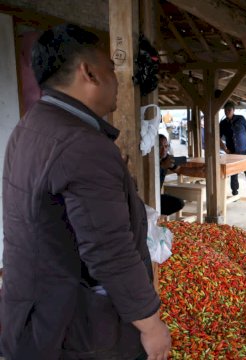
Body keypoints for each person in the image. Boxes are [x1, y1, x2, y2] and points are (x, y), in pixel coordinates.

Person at [1, 24, 171, 358]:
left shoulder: (29, 127)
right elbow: (110, 250)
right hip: (75, 328)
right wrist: (151, 326)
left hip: (33, 315)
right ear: (88, 72)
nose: (117, 79)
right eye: (111, 68)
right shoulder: (83, 145)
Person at [219, 101, 246, 197]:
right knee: (233, 173)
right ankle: (234, 192)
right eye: (226, 110)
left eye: (229, 110)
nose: (227, 112)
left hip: (244, 151)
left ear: (233, 110)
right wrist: (225, 148)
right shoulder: (222, 123)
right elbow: (217, 137)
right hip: (232, 152)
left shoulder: (241, 119)